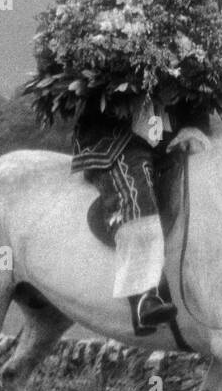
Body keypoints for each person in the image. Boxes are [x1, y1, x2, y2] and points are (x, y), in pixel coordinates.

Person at [71, 88, 210, 334]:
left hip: (171, 137)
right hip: (116, 141)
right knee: (136, 198)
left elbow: (197, 83)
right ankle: (144, 298)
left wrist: (194, 125)